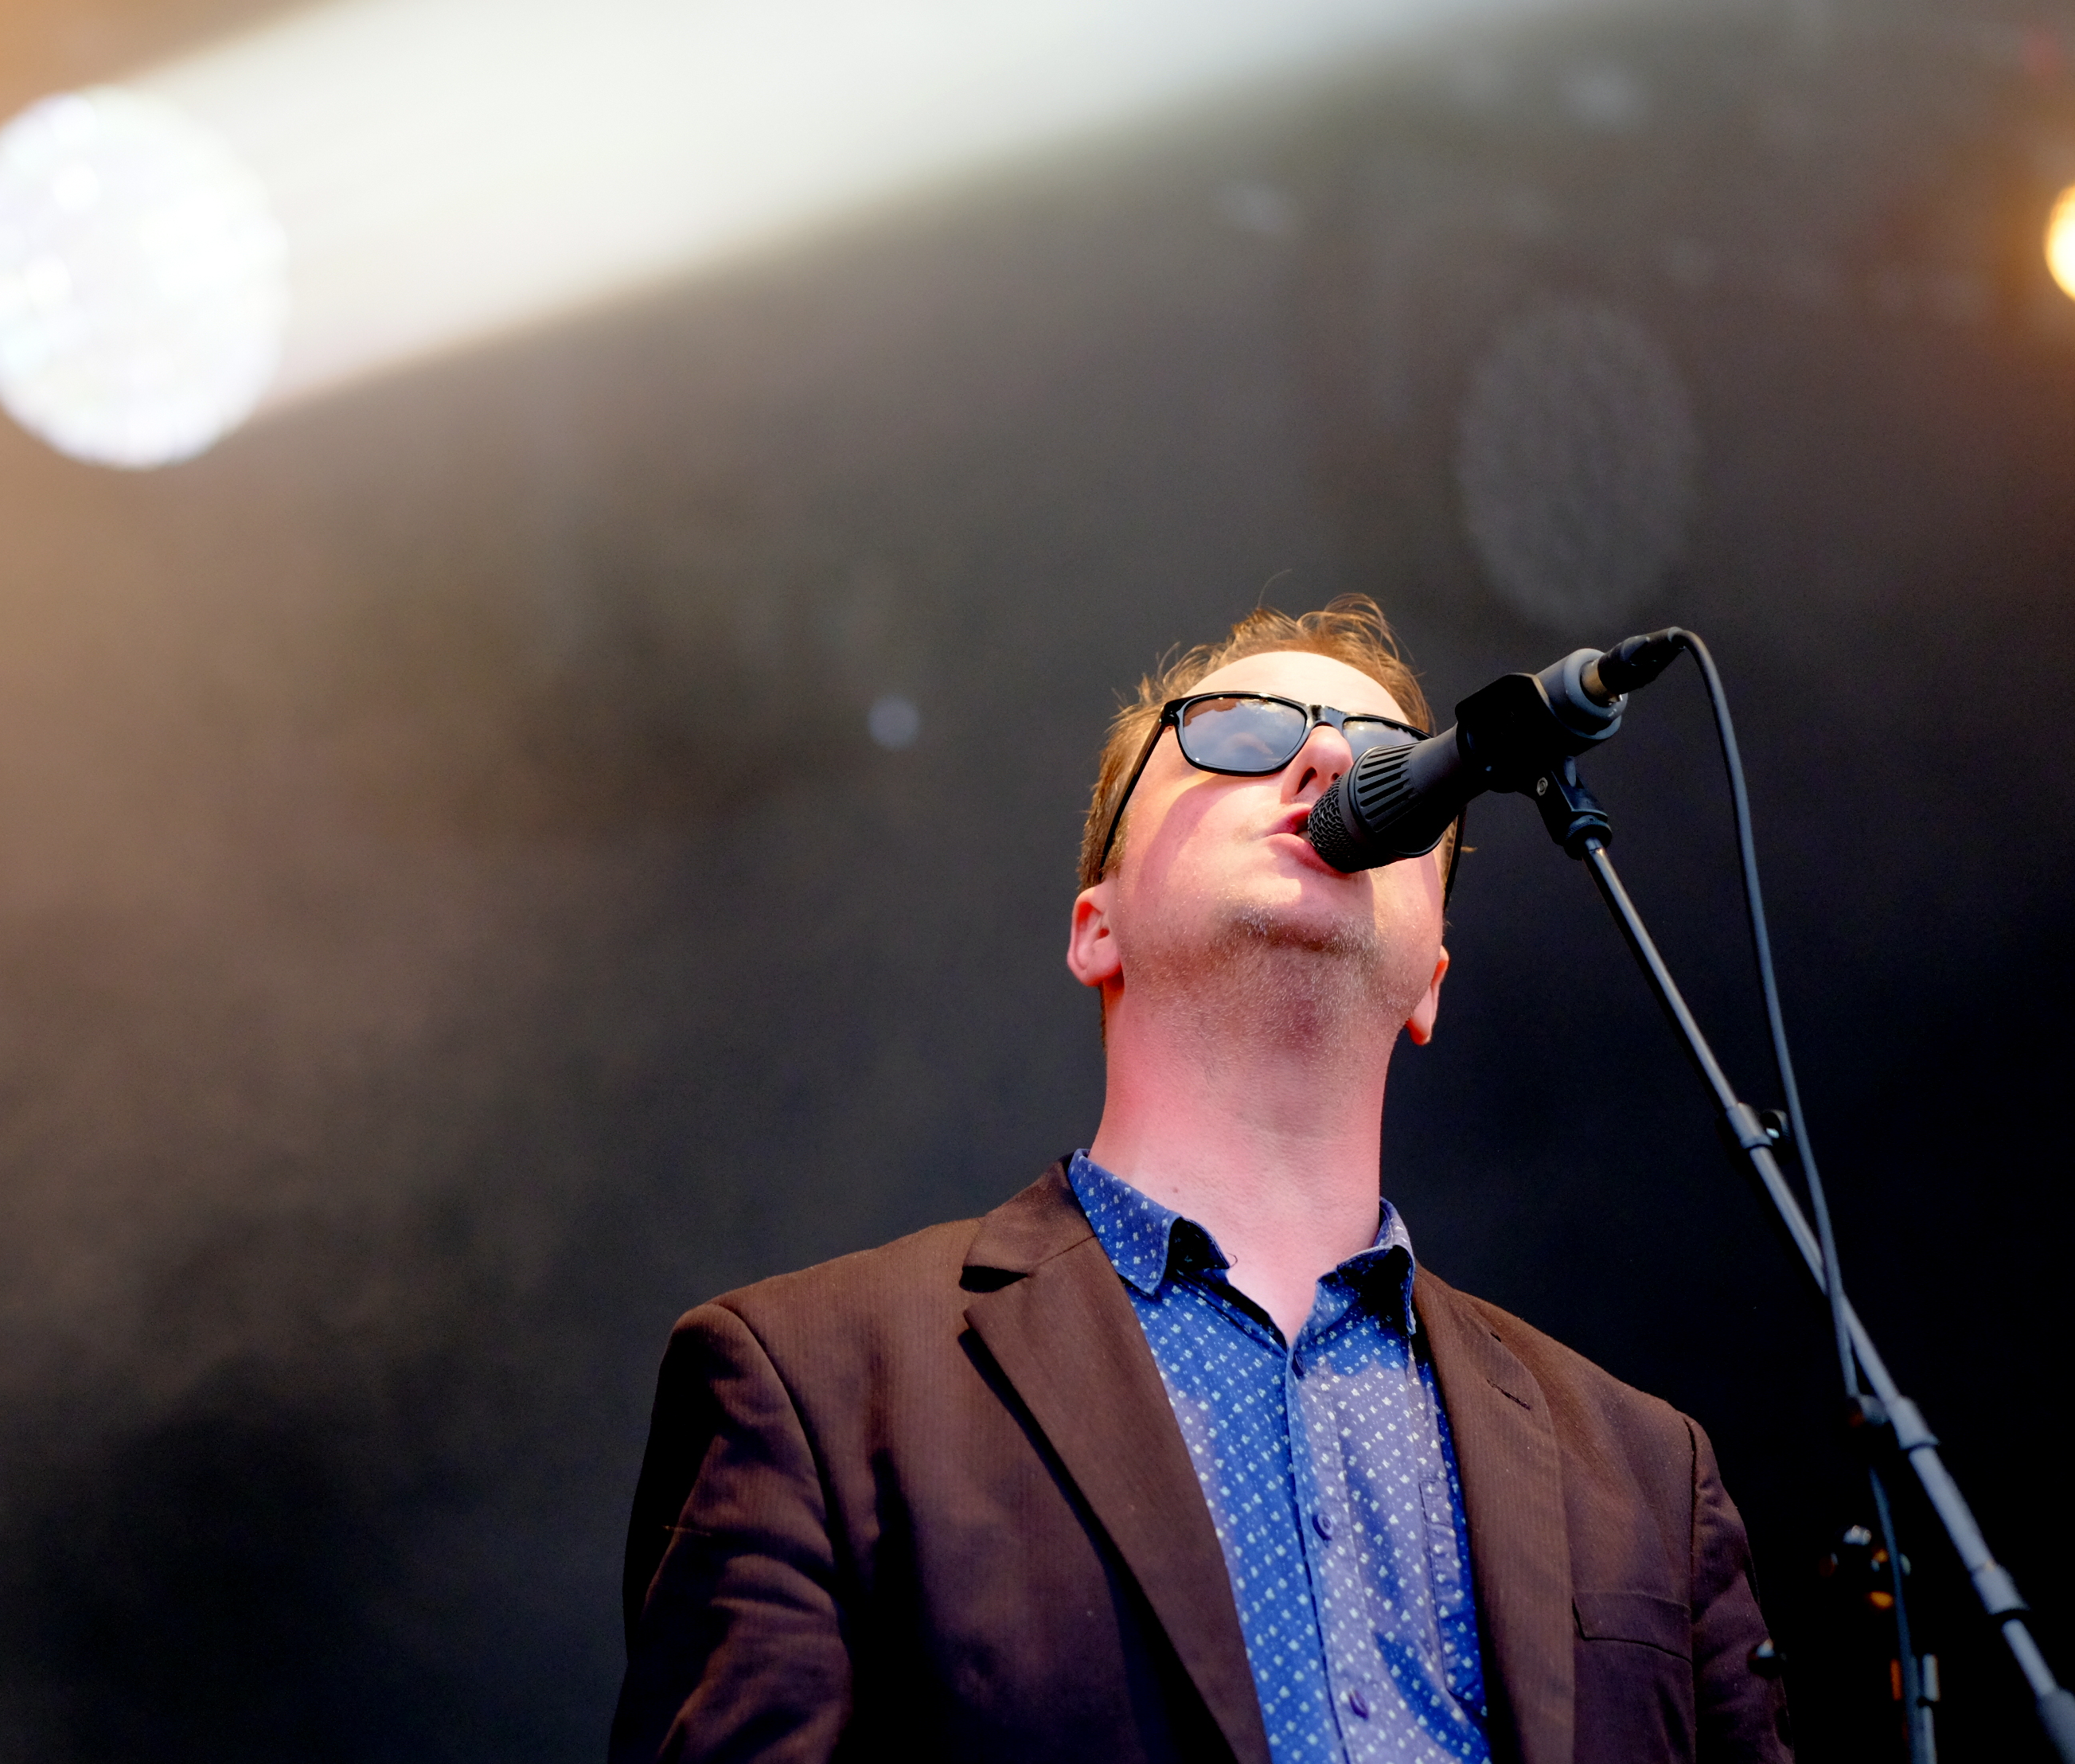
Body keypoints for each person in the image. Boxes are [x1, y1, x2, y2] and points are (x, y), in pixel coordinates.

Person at [610, 599, 1792, 1764]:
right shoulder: (809, 1381)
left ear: (1430, 979)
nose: (1331, 762)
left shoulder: (1647, 1470)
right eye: (1239, 732)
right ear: (1098, 926)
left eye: (1390, 758)